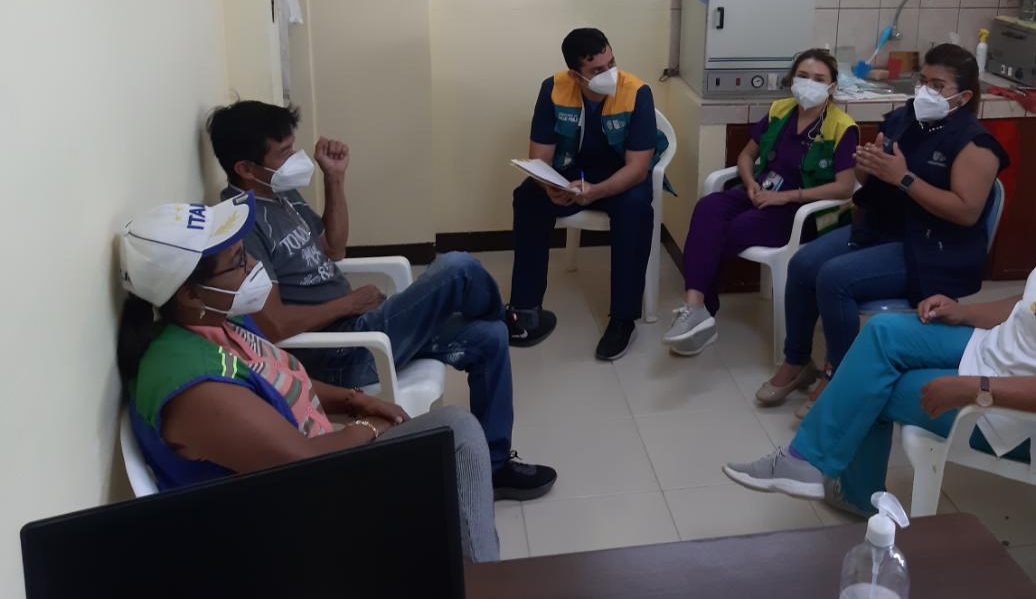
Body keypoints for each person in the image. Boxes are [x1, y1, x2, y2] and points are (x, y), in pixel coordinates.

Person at [724, 137, 1036, 514]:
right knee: (882, 334)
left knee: (873, 389)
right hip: (997, 354)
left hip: (1018, 420)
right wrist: (963, 311)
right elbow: (1035, 305)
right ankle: (811, 464)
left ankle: (845, 487)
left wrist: (975, 391)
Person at [117, 194, 500, 561]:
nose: (254, 265)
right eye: (238, 261)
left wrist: (353, 400)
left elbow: (278, 375)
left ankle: (468, 573)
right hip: (292, 516)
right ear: (190, 295)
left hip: (312, 467)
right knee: (457, 436)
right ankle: (481, 583)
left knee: (450, 453)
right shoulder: (196, 389)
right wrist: (370, 426)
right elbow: (302, 463)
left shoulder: (212, 320)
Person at [205, 100, 556, 501]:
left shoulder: (281, 194)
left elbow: (334, 248)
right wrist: (348, 304)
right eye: (283, 153)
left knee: (489, 337)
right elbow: (274, 325)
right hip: (339, 353)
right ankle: (509, 316)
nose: (295, 158)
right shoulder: (241, 225)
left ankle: (493, 468)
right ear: (246, 168)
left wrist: (335, 179)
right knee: (457, 267)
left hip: (360, 325)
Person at [756, 44, 1009, 417]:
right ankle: (797, 362)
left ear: (964, 96)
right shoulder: (906, 118)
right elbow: (868, 178)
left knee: (835, 278)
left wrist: (903, 178)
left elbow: (966, 212)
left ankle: (841, 377)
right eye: (923, 80)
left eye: (937, 85)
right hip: (882, 227)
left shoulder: (976, 144)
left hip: (931, 248)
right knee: (804, 263)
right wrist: (868, 165)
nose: (925, 91)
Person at [663, 48, 858, 357]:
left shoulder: (841, 127)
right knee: (708, 208)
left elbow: (845, 187)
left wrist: (786, 196)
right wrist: (750, 181)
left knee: (728, 231)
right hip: (759, 191)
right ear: (792, 79)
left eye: (819, 79)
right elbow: (746, 155)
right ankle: (696, 307)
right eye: (803, 76)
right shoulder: (781, 110)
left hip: (799, 210)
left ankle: (702, 311)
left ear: (832, 87)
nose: (809, 83)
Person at [508, 27, 669, 361]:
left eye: (611, 63)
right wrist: (550, 186)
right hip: (572, 175)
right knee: (528, 197)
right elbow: (540, 157)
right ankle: (524, 310)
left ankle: (623, 320)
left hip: (621, 177)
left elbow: (638, 168)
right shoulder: (554, 88)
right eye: (596, 70)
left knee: (636, 209)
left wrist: (595, 192)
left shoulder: (637, 92)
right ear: (575, 74)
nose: (609, 74)